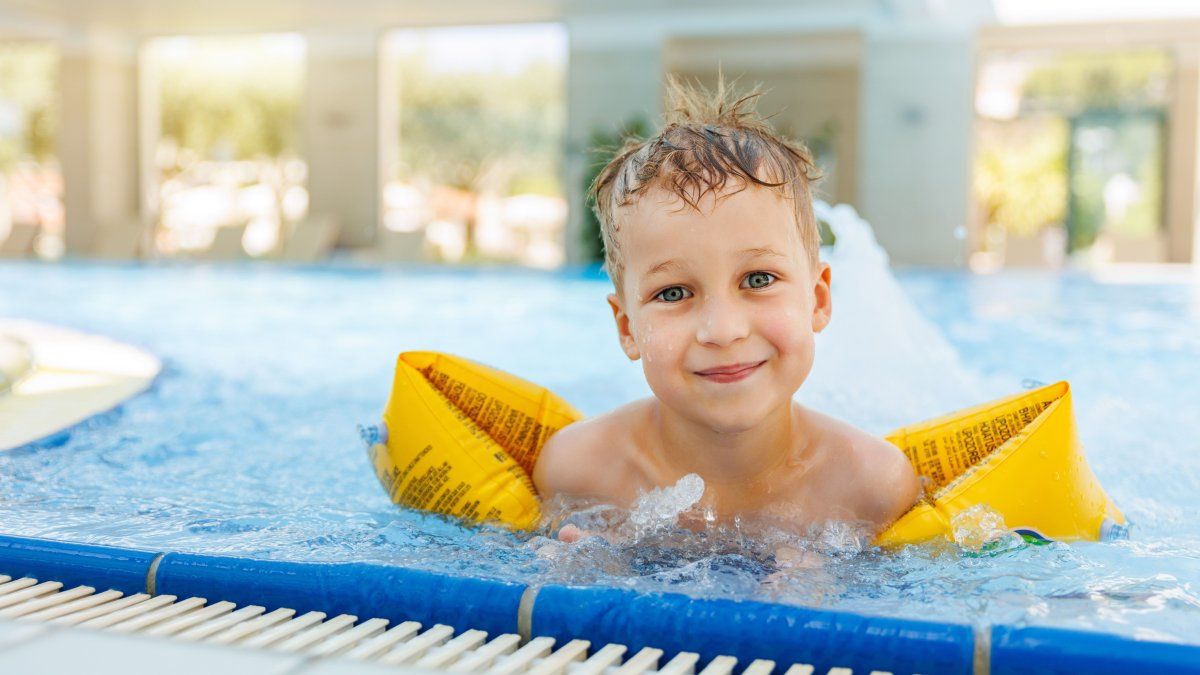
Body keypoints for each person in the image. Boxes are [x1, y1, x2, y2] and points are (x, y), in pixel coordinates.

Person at [533, 79, 919, 543]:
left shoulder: (871, 487)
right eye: (674, 293)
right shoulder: (577, 473)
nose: (722, 330)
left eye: (758, 280)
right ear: (627, 328)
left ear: (817, 300)